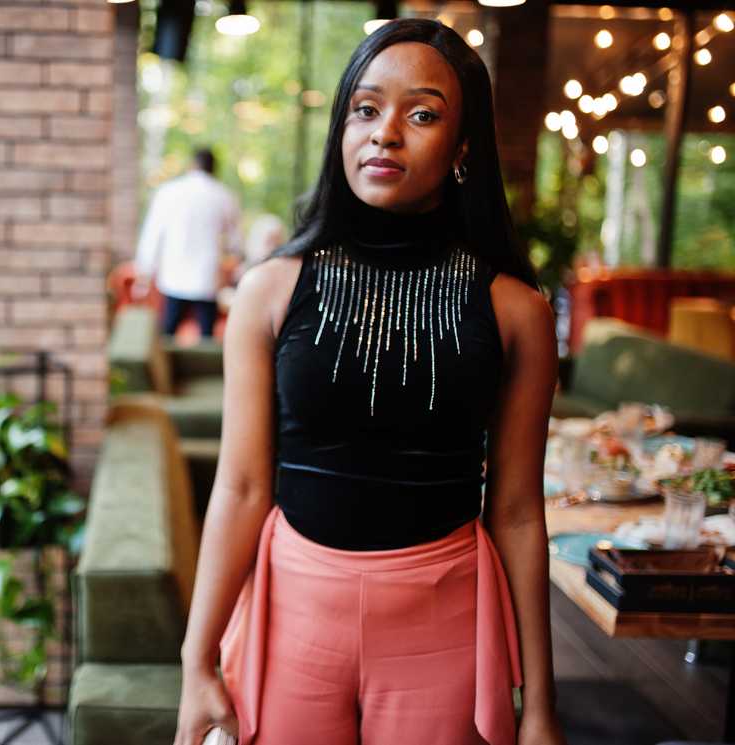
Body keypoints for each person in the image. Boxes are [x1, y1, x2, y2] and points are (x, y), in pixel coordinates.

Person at [171, 18, 565, 745]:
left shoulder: (519, 311)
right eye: (366, 108)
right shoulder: (270, 291)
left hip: (444, 619)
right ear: (342, 129)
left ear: (464, 147)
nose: (386, 132)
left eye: (422, 113)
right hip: (294, 614)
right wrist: (197, 659)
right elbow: (242, 487)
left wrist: (539, 704)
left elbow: (515, 512)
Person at [133, 147, 243, 339]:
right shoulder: (224, 196)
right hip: (207, 277)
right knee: (207, 336)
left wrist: (144, 273)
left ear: (192, 165)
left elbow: (153, 234)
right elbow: (235, 242)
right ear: (214, 168)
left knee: (168, 333)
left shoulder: (168, 192)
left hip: (174, 276)